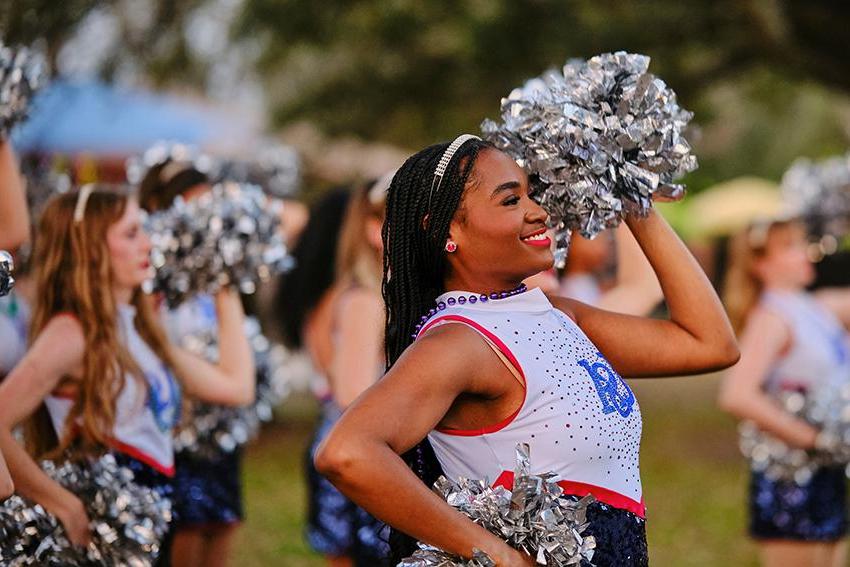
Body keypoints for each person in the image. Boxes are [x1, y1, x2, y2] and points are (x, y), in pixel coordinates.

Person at [314, 136, 739, 566]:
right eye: (510, 200)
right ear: (445, 230)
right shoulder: (460, 342)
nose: (537, 211)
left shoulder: (555, 314)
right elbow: (347, 452)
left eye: (531, 194)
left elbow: (709, 344)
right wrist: (498, 555)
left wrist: (634, 200)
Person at [0, 185, 254, 563]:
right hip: (107, 535)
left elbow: (236, 387)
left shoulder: (142, 328)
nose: (148, 244)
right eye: (132, 233)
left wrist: (225, 281)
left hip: (152, 525)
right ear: (90, 247)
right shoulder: (72, 333)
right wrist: (62, 503)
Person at [139, 160, 254, 567]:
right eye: (193, 207)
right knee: (187, 523)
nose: (206, 220)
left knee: (222, 519)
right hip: (174, 426)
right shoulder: (150, 278)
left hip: (218, 421)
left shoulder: (214, 277)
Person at [718, 218, 850, 567]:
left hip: (827, 470)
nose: (806, 252)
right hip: (791, 476)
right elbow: (737, 394)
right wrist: (813, 438)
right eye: (790, 247)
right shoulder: (772, 318)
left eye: (803, 242)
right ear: (760, 264)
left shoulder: (815, 307)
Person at [301, 179, 391, 566]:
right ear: (374, 231)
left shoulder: (374, 295)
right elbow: (352, 394)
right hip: (357, 454)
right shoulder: (363, 301)